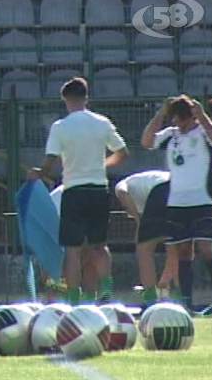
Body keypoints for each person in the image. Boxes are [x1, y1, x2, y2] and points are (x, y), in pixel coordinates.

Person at [29, 77, 128, 306]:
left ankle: (74, 297)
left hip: (74, 190)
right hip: (98, 189)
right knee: (99, 245)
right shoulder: (102, 122)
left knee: (72, 250)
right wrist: (103, 164)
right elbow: (122, 152)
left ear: (66, 100)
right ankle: (105, 290)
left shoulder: (61, 126)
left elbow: (50, 160)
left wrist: (39, 172)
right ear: (86, 98)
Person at [141, 95, 212, 310]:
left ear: (191, 117)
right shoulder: (170, 135)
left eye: (183, 119)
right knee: (183, 251)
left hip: (201, 201)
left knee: (206, 249)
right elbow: (146, 141)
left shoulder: (203, 133)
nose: (179, 124)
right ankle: (186, 303)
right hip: (176, 203)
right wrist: (160, 114)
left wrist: (202, 116)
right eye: (175, 119)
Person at [114, 170, 173, 306]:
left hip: (161, 188)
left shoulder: (122, 185)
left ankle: (151, 297)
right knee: (174, 245)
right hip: (180, 188)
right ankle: (164, 287)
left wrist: (138, 221)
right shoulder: (143, 201)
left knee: (144, 249)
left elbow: (122, 191)